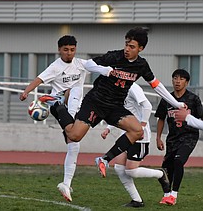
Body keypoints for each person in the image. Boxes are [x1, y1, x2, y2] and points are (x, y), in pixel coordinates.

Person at [54, 27, 186, 180]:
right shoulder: (114, 57)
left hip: (115, 106)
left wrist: (176, 104)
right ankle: (57, 105)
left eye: (132, 47)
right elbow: (88, 64)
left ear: (141, 48)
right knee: (74, 136)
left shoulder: (141, 65)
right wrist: (105, 70)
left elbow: (156, 85)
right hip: (96, 102)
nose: (127, 49)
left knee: (137, 131)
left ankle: (104, 159)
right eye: (126, 45)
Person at [20, 35, 88, 202]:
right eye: (65, 50)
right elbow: (39, 79)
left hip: (75, 105)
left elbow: (98, 66)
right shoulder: (55, 67)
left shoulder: (81, 64)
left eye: (72, 50)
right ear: (59, 50)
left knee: (74, 146)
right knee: (73, 91)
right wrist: (26, 91)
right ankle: (51, 99)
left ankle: (66, 183)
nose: (69, 53)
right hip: (59, 106)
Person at [101, 82, 170, 208]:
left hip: (140, 137)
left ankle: (160, 174)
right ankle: (137, 200)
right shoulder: (117, 88)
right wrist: (109, 128)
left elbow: (147, 106)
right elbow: (121, 113)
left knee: (131, 171)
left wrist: (142, 126)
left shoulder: (132, 87)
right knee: (119, 167)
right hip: (126, 135)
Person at [155, 69, 203, 205]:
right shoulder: (167, 99)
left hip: (189, 136)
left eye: (181, 79)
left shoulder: (193, 99)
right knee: (165, 169)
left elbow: (201, 118)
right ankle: (166, 195)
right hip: (172, 138)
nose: (177, 81)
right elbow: (161, 118)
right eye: (175, 78)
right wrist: (158, 138)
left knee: (178, 161)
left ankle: (174, 195)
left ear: (186, 82)